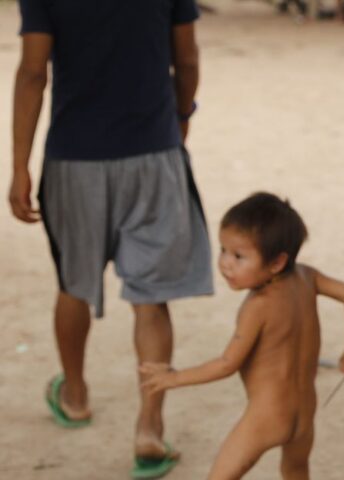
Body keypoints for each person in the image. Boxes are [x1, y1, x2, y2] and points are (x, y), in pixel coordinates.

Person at [9, 0, 212, 477]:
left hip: (73, 158)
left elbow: (33, 73)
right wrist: (183, 113)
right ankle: (149, 426)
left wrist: (19, 163)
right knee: (151, 298)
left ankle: (76, 395)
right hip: (153, 153)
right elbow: (186, 58)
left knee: (73, 282)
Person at [141, 192, 344, 480]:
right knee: (296, 471)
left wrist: (174, 378)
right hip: (304, 413)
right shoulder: (308, 277)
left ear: (276, 263)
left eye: (238, 256)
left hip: (267, 417)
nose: (225, 264)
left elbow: (227, 363)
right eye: (222, 250)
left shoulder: (258, 305)